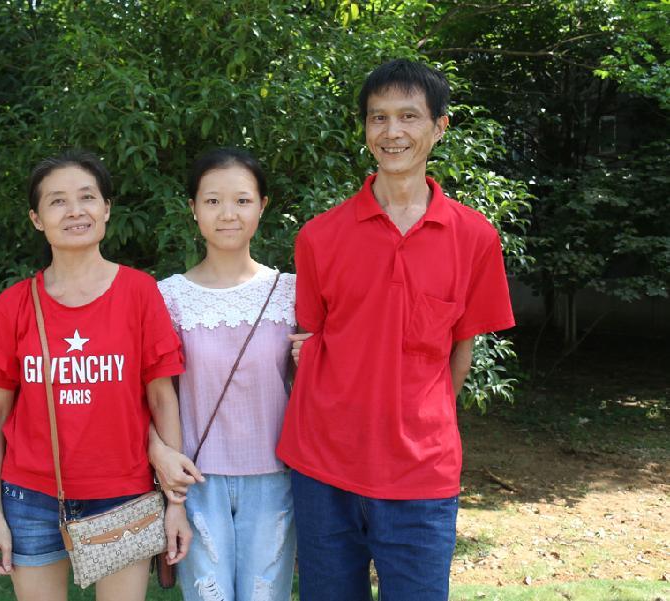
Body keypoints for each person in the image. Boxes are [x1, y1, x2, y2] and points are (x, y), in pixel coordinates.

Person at [278, 59, 515, 600]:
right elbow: (311, 342)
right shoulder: (319, 236)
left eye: (409, 116)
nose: (392, 131)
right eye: (378, 117)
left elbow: (460, 350)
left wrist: (419, 421)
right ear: (365, 128)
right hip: (323, 467)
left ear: (439, 126)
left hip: (422, 474)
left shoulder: (474, 237)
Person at [0, 151, 192, 601]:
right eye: (57, 201)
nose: (75, 210)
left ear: (106, 208)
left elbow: (162, 399)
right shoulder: (15, 304)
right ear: (37, 219)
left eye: (87, 197)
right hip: (30, 498)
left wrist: (175, 506)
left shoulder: (139, 292)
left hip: (123, 494)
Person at [149, 148, 298, 601]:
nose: (228, 214)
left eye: (242, 200)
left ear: (262, 206)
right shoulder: (168, 297)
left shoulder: (290, 292)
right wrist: (158, 453)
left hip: (275, 476)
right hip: (196, 480)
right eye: (213, 201)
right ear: (193, 208)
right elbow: (146, 395)